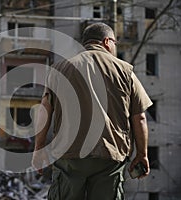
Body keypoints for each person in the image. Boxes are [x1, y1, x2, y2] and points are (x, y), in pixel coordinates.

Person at [32, 22, 153, 200]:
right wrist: (142, 154)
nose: (114, 47)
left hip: (69, 154)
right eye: (114, 43)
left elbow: (44, 110)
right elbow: (140, 118)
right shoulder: (126, 71)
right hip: (109, 156)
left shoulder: (59, 70)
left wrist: (39, 147)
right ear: (106, 42)